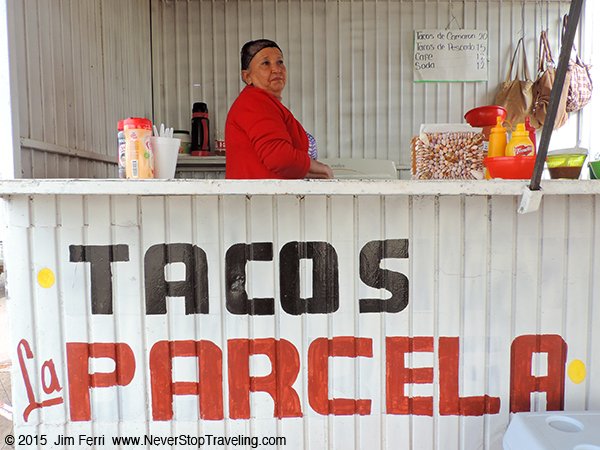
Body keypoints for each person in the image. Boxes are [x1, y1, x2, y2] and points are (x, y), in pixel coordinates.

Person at [225, 39, 333, 179]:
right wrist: (324, 170)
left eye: (280, 62)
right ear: (247, 76)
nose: (276, 69)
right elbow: (279, 157)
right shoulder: (255, 102)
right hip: (261, 198)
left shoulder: (266, 103)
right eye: (265, 63)